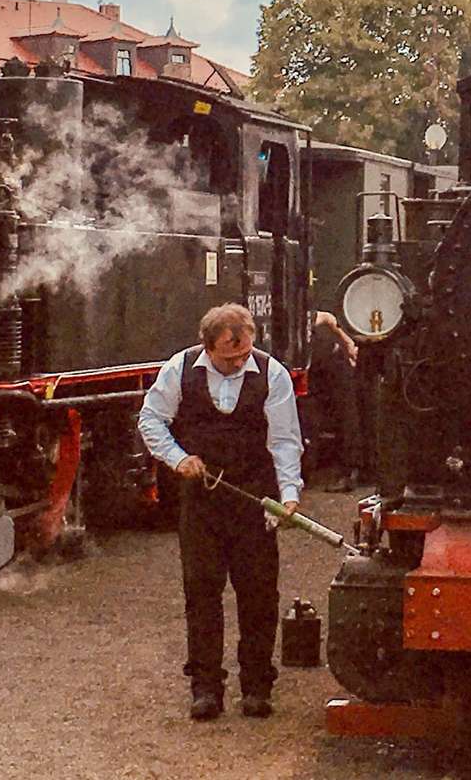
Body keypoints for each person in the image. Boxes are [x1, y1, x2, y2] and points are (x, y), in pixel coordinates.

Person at [137, 303, 304, 722]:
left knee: (259, 596)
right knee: (202, 594)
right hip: (201, 503)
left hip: (253, 500)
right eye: (230, 357)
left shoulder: (273, 374)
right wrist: (177, 458)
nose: (239, 361)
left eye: (244, 353)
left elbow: (284, 440)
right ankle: (206, 688)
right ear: (206, 346)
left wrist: (289, 495)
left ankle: (257, 688)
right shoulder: (179, 370)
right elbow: (151, 420)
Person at [308, 311, 365, 492]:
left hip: (325, 357)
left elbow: (327, 318)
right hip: (324, 354)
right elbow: (328, 318)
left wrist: (345, 341)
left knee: (342, 410)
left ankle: (349, 471)